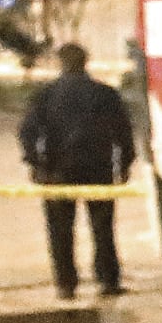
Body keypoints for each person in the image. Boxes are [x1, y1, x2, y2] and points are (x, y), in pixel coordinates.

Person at [20, 41, 136, 298]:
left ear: (61, 63)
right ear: (86, 62)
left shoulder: (47, 94)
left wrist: (35, 164)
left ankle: (66, 284)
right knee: (103, 227)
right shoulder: (105, 94)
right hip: (98, 169)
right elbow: (123, 131)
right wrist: (125, 163)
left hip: (57, 170)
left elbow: (28, 132)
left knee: (60, 230)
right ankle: (108, 280)